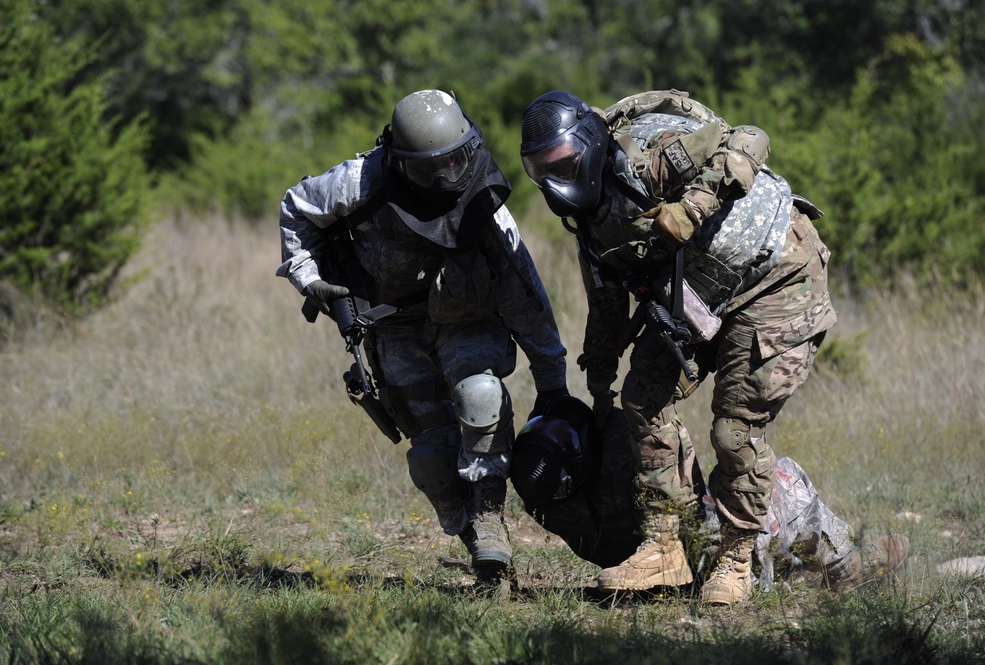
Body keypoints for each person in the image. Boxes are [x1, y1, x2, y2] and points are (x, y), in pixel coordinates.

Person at [519, 90, 839, 604]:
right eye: (540, 171)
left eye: (560, 164)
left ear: (587, 146)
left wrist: (692, 207)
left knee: (735, 430)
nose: (553, 181)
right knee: (641, 400)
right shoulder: (590, 220)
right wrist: (598, 383)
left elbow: (749, 140)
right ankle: (665, 545)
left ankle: (735, 558)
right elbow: (605, 305)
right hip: (699, 293)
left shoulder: (652, 157)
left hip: (777, 277)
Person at [277, 89, 568, 581]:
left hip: (468, 318)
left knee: (480, 395)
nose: (445, 177)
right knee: (431, 460)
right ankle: (472, 535)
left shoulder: (483, 203)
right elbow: (297, 209)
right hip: (394, 327)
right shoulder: (359, 181)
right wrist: (313, 281)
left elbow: (524, 293)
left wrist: (553, 382)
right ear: (398, 160)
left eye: (455, 161)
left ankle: (489, 515)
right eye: (428, 168)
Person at [511, 396, 910, 595]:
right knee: (782, 476)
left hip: (659, 568)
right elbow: (688, 483)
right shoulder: (620, 442)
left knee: (761, 535)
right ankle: (845, 564)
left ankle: (802, 571)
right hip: (709, 556)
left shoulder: (543, 499)